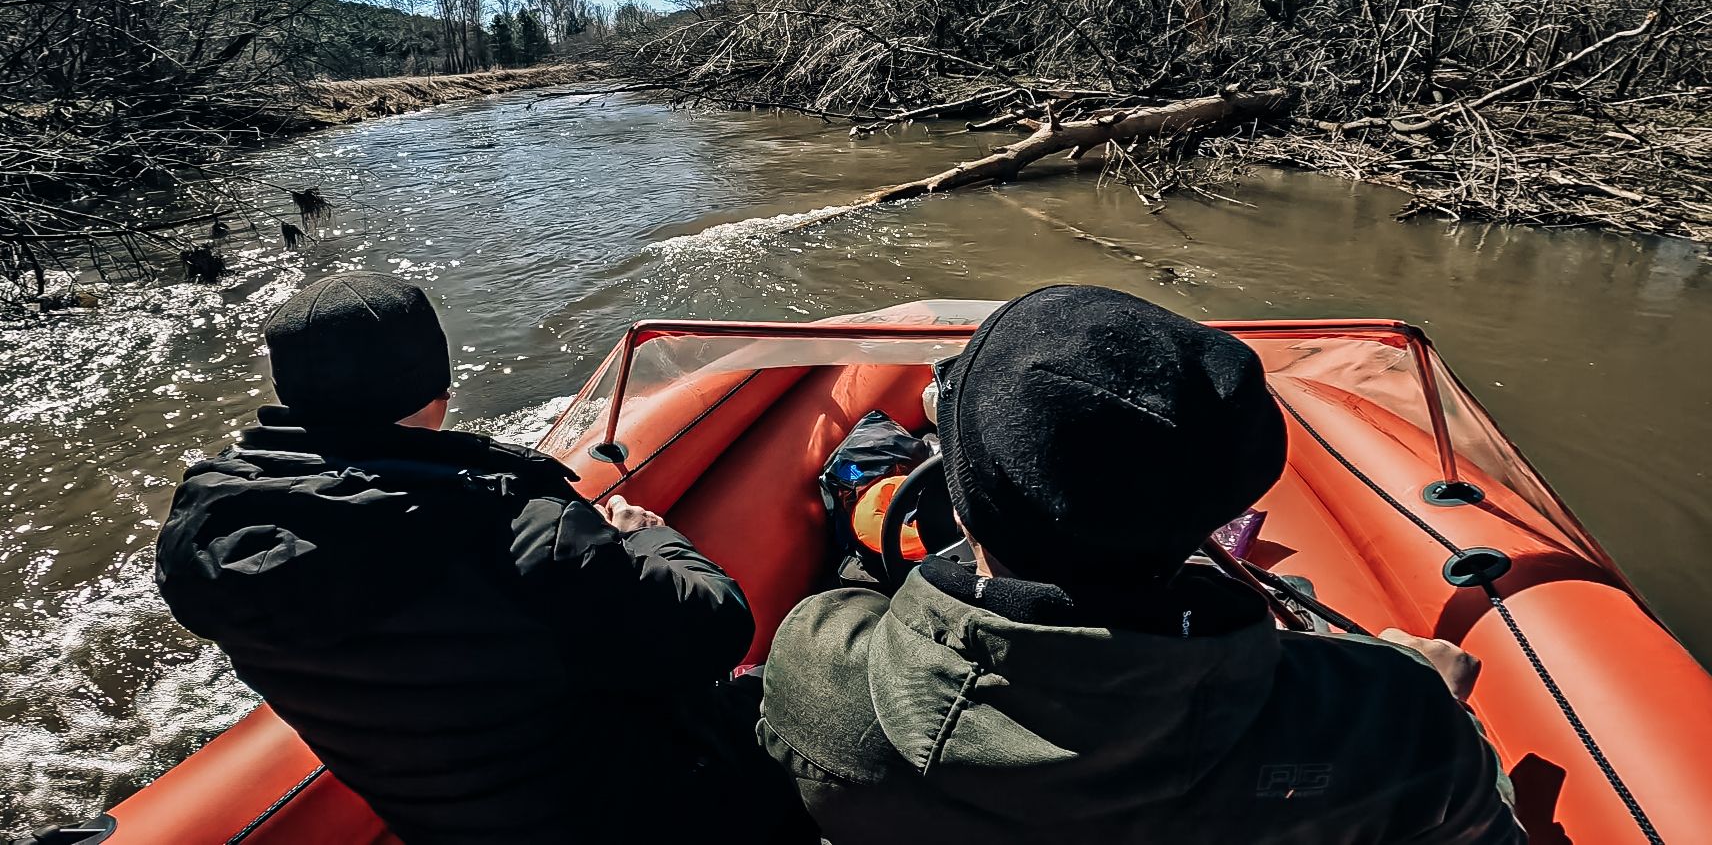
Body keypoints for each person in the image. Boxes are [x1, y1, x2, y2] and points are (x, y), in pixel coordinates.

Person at [758, 285, 1525, 844]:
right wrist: (1434, 699)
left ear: (959, 508)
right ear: (1217, 512)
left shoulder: (821, 669)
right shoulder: (1389, 715)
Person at [154, 272, 772, 845]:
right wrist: (645, 538)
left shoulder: (202, 539)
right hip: (638, 816)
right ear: (437, 388)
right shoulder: (521, 532)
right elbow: (719, 629)